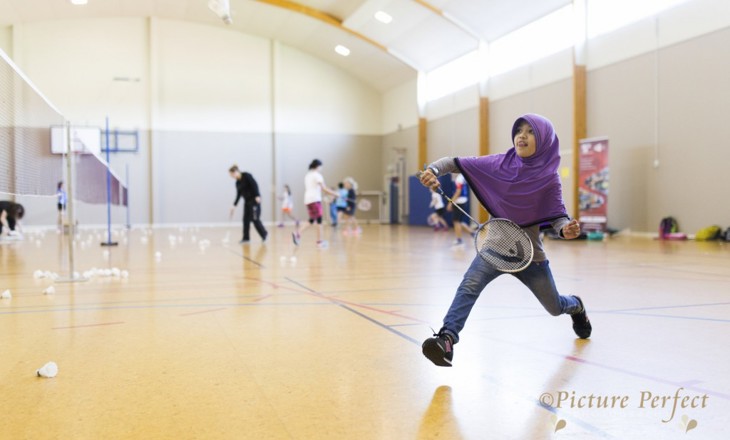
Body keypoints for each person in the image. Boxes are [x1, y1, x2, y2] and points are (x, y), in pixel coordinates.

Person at [418, 113, 592, 367]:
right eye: (519, 130)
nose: (522, 135)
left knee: (554, 307)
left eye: (530, 132)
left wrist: (566, 229)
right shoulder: (498, 163)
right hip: (495, 248)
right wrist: (432, 171)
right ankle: (447, 339)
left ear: (544, 140)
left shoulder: (549, 178)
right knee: (469, 286)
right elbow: (453, 162)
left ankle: (575, 306)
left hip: (530, 256)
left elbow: (558, 216)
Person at [292, 159, 338, 249]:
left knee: (312, 220)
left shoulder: (308, 175)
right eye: (321, 166)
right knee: (319, 220)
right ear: (318, 166)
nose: (321, 168)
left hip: (308, 200)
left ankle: (297, 233)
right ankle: (319, 242)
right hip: (315, 200)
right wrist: (335, 193)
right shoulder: (317, 175)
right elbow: (324, 188)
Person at [229, 165, 267, 244]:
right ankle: (246, 238)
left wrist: (257, 195)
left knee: (255, 219)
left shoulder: (246, 176)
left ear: (235, 172)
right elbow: (238, 194)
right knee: (245, 220)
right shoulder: (237, 182)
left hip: (254, 201)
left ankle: (264, 234)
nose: (231, 176)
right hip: (247, 202)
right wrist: (234, 205)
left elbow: (254, 184)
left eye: (231, 174)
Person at [448, 173, 474, 246]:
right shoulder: (461, 177)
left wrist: (450, 202)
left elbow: (458, 192)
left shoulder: (459, 178)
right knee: (459, 221)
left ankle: (459, 239)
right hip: (463, 201)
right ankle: (472, 233)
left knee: (456, 221)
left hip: (459, 202)